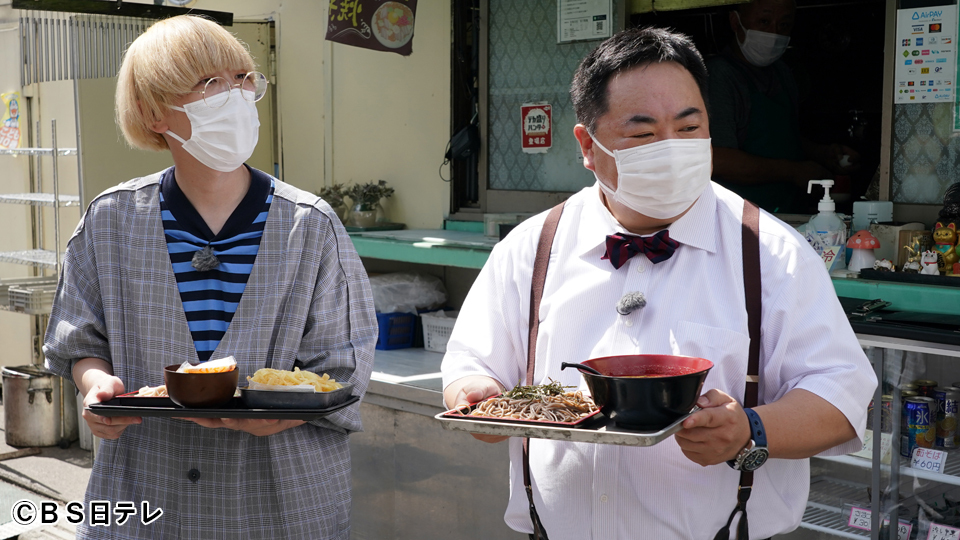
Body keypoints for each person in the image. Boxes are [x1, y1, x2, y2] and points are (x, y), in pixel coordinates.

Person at [441, 26, 876, 539]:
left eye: (689, 128)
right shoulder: (533, 246)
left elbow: (842, 400)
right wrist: (479, 398)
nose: (671, 149)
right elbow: (472, 365)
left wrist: (749, 430)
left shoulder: (771, 252)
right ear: (587, 144)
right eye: (644, 134)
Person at [42, 15, 377, 540]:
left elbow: (345, 367)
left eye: (244, 79)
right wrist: (96, 387)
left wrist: (277, 413)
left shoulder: (310, 226)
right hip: (145, 496)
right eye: (210, 83)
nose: (236, 96)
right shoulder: (110, 220)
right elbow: (79, 339)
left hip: (281, 503)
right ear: (155, 113)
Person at [707, 0, 860, 213]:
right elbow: (719, 159)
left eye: (784, 25)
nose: (774, 33)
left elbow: (782, 137)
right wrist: (793, 171)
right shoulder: (720, 76)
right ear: (735, 21)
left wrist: (821, 153)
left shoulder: (782, 72)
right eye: (764, 21)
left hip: (786, 213)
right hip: (738, 216)